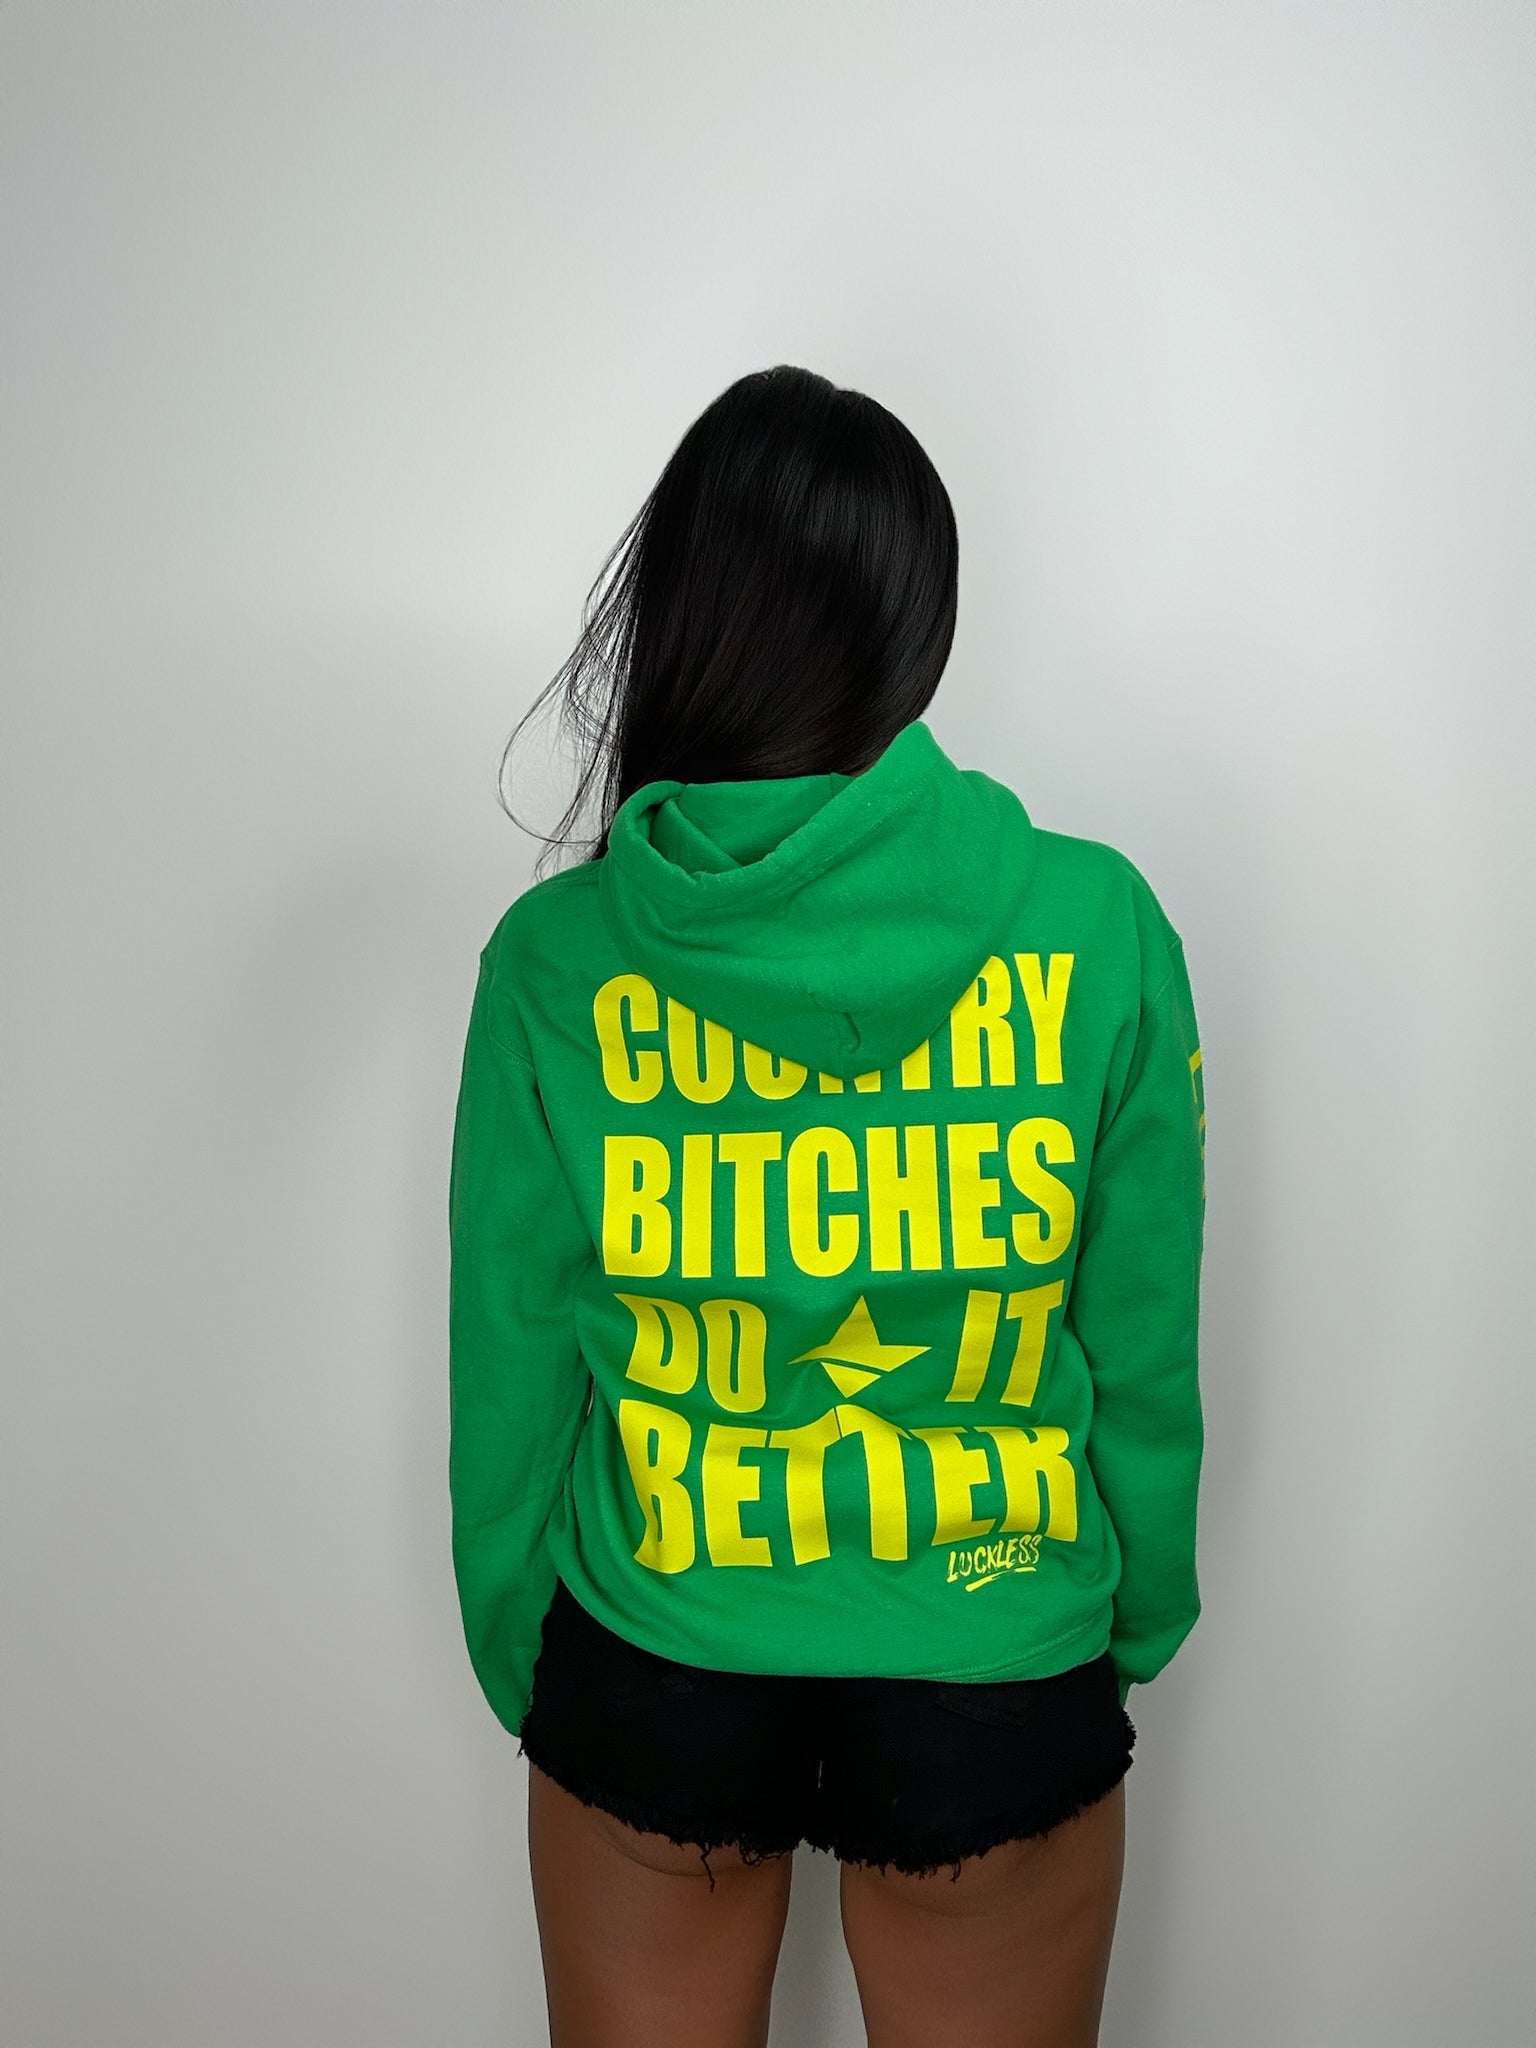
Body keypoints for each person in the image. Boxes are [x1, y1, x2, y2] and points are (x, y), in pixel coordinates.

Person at [447, 365, 1207, 2048]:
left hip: (656, 1641)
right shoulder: (1098, 926)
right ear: (916, 627)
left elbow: (510, 1363)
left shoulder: (557, 962)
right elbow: (1143, 1337)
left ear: (677, 613)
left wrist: (537, 1661)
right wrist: (1126, 1617)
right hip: (996, 1637)